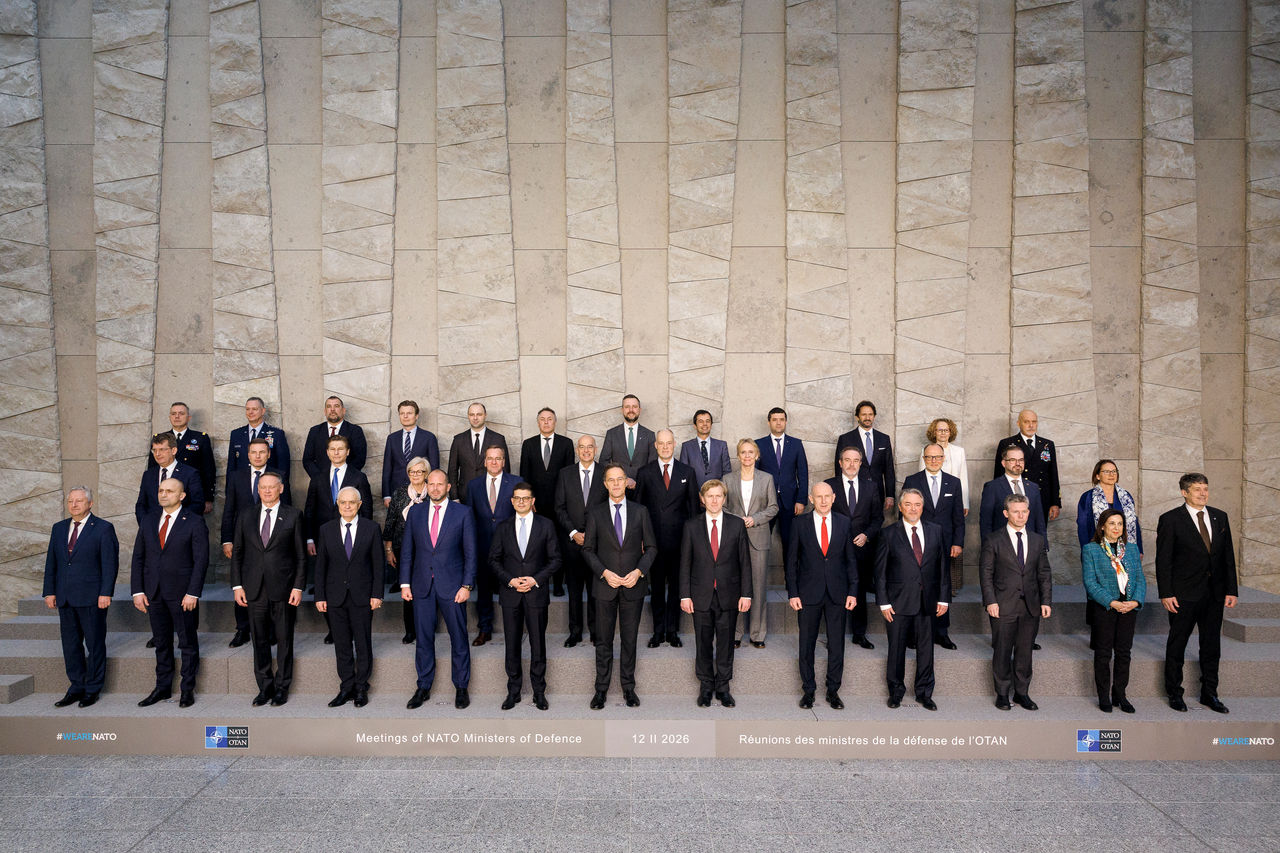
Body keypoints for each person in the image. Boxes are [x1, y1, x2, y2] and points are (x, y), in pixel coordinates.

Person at [1156, 472, 1238, 714]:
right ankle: (1174, 693)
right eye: (1197, 489)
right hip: (1182, 594)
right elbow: (1163, 560)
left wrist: (1231, 589)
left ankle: (1209, 693)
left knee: (1211, 646)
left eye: (1205, 488)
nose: (1203, 493)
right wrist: (1166, 593)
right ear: (1184, 492)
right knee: (1177, 644)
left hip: (1214, 594)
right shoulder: (1170, 519)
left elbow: (1228, 556)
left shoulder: (1220, 516)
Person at [401, 469, 477, 710]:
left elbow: (471, 553)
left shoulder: (462, 513)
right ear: (426, 486)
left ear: (448, 487)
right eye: (431, 484)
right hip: (422, 585)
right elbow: (407, 551)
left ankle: (461, 687)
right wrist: (405, 583)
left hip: (453, 586)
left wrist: (467, 585)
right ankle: (423, 686)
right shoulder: (415, 512)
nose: (434, 488)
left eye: (439, 484)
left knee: (459, 638)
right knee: (423, 639)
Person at [583, 464, 657, 709]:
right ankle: (600, 690)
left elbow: (652, 548)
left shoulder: (640, 511)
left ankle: (628, 688)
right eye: (611, 480)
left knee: (629, 639)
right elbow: (588, 550)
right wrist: (604, 573)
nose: (616, 484)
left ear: (626, 482)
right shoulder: (595, 513)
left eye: (620, 479)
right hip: (605, 586)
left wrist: (638, 572)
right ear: (605, 484)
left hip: (632, 585)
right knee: (603, 641)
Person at [230, 471, 306, 707]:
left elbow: (301, 556)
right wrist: (237, 585)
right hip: (253, 588)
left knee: (284, 639)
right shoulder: (246, 515)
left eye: (271, 487)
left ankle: (282, 687)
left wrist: (298, 587)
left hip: (284, 588)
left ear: (280, 489)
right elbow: (237, 553)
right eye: (263, 487)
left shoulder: (293, 515)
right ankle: (265, 687)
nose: (267, 491)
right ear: (258, 489)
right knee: (259, 640)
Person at [131, 478, 208, 708]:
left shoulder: (194, 521)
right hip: (154, 592)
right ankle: (162, 687)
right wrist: (137, 590)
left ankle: (187, 689)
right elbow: (138, 557)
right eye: (161, 490)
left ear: (182, 496)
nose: (163, 494)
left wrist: (193, 592)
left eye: (170, 491)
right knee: (162, 643)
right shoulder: (149, 519)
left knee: (187, 643)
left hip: (182, 594)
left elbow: (201, 560)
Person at [43, 487, 118, 709]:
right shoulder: (58, 528)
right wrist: (49, 591)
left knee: (94, 644)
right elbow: (52, 562)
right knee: (70, 645)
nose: (74, 505)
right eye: (70, 501)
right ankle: (76, 687)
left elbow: (109, 564)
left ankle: (92, 689)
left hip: (92, 597)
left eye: (79, 501)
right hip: (65, 597)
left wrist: (106, 592)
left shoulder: (103, 528)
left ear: (90, 504)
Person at [679, 479, 752, 707]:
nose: (714, 500)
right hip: (700, 595)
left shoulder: (736, 524)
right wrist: (685, 595)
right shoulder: (691, 526)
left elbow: (745, 562)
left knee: (726, 643)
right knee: (702, 642)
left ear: (724, 498)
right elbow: (685, 563)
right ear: (702, 499)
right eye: (709, 496)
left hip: (729, 594)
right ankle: (706, 687)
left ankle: (723, 687)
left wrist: (746, 594)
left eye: (718, 496)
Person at [489, 482, 561, 711]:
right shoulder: (503, 527)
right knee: (512, 644)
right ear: (512, 501)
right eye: (517, 498)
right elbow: (493, 559)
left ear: (532, 501)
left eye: (525, 498)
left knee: (538, 644)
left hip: (536, 593)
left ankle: (539, 692)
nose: (521, 501)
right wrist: (510, 580)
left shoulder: (546, 525)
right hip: (510, 594)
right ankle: (514, 691)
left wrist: (535, 580)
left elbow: (556, 560)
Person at [786, 481, 858, 710]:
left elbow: (850, 560)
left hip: (838, 592)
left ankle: (833, 691)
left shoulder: (844, 522)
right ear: (811, 499)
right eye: (819, 496)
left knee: (837, 644)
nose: (824, 500)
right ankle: (808, 691)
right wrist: (793, 592)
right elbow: (791, 561)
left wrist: (853, 591)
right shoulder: (799, 524)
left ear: (834, 497)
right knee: (806, 644)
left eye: (827, 496)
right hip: (808, 593)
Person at [875, 488, 949, 710]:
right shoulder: (888, 533)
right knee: (896, 649)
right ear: (900, 507)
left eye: (917, 504)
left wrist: (943, 598)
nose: (913, 508)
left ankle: (924, 693)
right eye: (908, 504)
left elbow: (943, 567)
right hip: (897, 602)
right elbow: (880, 572)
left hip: (928, 601)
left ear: (922, 507)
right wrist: (883, 602)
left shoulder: (936, 530)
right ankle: (896, 691)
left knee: (926, 650)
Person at [980, 493, 1052, 711]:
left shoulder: (1037, 540)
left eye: (1024, 512)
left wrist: (1046, 601)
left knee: (1025, 651)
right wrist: (990, 601)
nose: (1020, 516)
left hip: (1030, 605)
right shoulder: (993, 540)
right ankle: (1002, 694)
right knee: (1002, 650)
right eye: (1015, 512)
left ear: (1028, 513)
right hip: (1002, 604)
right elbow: (986, 573)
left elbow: (1044, 573)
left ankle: (1022, 693)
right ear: (1006, 513)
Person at [314, 486, 383, 708]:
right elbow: (321, 566)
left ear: (359, 505)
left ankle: (361, 687)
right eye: (343, 502)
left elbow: (378, 565)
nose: (347, 506)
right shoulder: (326, 529)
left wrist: (377, 594)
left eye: (352, 502)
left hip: (362, 596)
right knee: (342, 645)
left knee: (363, 643)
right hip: (335, 596)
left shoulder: (371, 529)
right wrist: (320, 595)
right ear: (337, 504)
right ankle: (346, 686)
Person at [220, 436, 291, 648]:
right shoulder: (236, 476)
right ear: (248, 455)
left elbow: (287, 509)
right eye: (253, 452)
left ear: (268, 454)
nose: (258, 456)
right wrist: (227, 539)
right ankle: (243, 629)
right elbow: (229, 509)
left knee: (269, 584)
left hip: (272, 541)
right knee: (243, 584)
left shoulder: (279, 475)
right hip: (244, 541)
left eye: (262, 452)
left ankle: (270, 630)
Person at [634, 429, 700, 648]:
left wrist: (693, 543)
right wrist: (640, 539)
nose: (665, 447)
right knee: (657, 589)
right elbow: (638, 509)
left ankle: (672, 631)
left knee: (676, 588)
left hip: (680, 542)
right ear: (655, 445)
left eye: (668, 443)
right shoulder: (645, 472)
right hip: (653, 543)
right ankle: (657, 631)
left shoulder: (687, 472)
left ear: (674, 444)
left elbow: (693, 510)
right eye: (661, 443)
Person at [1081, 509, 1145, 714]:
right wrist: (1112, 602)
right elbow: (1090, 582)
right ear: (1102, 526)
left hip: (1128, 608)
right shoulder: (1091, 549)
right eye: (1111, 523)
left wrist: (1135, 601)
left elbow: (1140, 579)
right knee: (1103, 653)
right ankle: (1104, 696)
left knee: (1124, 653)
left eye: (1120, 524)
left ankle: (1120, 695)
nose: (1116, 528)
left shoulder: (1132, 549)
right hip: (1105, 607)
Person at [902, 443, 964, 649]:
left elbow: (958, 516)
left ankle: (941, 632)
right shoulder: (912, 481)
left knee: (942, 585)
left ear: (943, 458)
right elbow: (904, 513)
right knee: (916, 586)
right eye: (929, 457)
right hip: (918, 542)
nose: (934, 460)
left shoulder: (953, 482)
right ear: (924, 458)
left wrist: (958, 542)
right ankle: (913, 633)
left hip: (945, 544)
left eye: (937, 457)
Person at [722, 438, 778, 648]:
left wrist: (754, 519)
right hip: (734, 538)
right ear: (738, 455)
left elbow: (773, 507)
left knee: (758, 587)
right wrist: (737, 521)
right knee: (735, 585)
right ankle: (736, 633)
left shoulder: (767, 479)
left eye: (750, 452)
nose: (747, 456)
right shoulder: (728, 479)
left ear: (757, 455)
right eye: (743, 452)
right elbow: (722, 507)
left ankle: (757, 634)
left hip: (759, 538)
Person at [554, 434, 608, 647]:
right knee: (574, 591)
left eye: (590, 447)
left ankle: (595, 631)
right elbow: (559, 507)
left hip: (598, 544)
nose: (586, 450)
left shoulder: (605, 473)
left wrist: (593, 534)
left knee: (596, 590)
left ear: (596, 449)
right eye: (582, 447)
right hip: (572, 543)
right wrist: (573, 532)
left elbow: (609, 507)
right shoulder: (565, 474)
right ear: (577, 450)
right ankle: (575, 632)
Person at [827, 445, 883, 649]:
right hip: (835, 549)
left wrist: (867, 535)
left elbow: (878, 518)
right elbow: (823, 515)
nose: (851, 464)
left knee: (859, 591)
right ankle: (834, 636)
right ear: (840, 463)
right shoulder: (829, 485)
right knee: (834, 592)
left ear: (861, 464)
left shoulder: (871, 487)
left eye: (856, 460)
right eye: (847, 460)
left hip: (861, 549)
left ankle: (859, 634)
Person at [466, 445, 519, 646]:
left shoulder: (516, 482)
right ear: (485, 462)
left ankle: (513, 629)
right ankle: (484, 629)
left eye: (498, 458)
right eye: (490, 458)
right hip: (483, 546)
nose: (494, 462)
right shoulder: (474, 485)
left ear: (504, 461)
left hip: (509, 547)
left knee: (510, 588)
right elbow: (469, 518)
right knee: (484, 591)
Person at [518, 407, 574, 595]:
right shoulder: (529, 444)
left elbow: (569, 476)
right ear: (538, 422)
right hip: (536, 505)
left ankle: (557, 584)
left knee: (557, 545)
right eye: (542, 419)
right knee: (536, 544)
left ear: (555, 422)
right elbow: (524, 475)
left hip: (559, 505)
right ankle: (538, 582)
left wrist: (564, 502)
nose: (546, 422)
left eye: (550, 419)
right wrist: (529, 502)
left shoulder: (566, 444)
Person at [383, 456, 431, 644]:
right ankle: (410, 630)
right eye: (412, 471)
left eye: (420, 471)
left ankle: (426, 627)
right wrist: (389, 550)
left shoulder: (433, 492)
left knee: (427, 588)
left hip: (428, 550)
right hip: (403, 549)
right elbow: (390, 521)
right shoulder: (400, 493)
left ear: (426, 474)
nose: (415, 475)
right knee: (407, 588)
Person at [755, 406, 809, 556]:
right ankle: (760, 572)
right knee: (761, 542)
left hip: (790, 503)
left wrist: (801, 500)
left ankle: (790, 573)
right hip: (765, 502)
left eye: (781, 420)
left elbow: (803, 473)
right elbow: (755, 474)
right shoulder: (759, 444)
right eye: (774, 420)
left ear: (786, 422)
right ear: (769, 422)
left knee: (790, 543)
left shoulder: (796, 444)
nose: (778, 423)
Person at [993, 409, 1060, 525]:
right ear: (1018, 423)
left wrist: (1055, 502)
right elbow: (999, 475)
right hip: (1014, 500)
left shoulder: (1047, 444)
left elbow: (1053, 474)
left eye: (1034, 422)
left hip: (1041, 499)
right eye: (1026, 422)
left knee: (1039, 532)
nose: (1031, 425)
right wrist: (999, 502)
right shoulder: (1007, 443)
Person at [148, 401, 215, 513]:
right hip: (165, 495)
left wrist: (208, 498)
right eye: (173, 414)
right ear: (169, 417)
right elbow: (152, 469)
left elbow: (208, 470)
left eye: (181, 413)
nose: (177, 416)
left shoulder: (200, 438)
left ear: (188, 418)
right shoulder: (159, 439)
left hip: (190, 496)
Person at [835, 400, 895, 513]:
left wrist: (890, 495)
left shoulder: (884, 438)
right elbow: (839, 469)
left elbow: (889, 469)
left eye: (870, 414)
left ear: (874, 416)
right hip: (853, 492)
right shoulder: (845, 439)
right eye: (864, 414)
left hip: (877, 493)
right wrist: (840, 494)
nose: (867, 418)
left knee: (876, 521)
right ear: (857, 417)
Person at [979, 445, 1045, 542]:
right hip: (1002, 544)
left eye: (1021, 460)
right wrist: (988, 547)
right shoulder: (992, 487)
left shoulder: (1033, 487)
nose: (1017, 463)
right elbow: (986, 522)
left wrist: (1044, 546)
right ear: (1003, 463)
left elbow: (1040, 521)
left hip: (1030, 544)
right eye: (1012, 460)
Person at [381, 399, 440, 507]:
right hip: (397, 492)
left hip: (422, 493)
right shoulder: (392, 438)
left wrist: (432, 491)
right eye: (402, 413)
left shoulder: (428, 437)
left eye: (409, 413)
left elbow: (434, 468)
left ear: (416, 416)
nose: (405, 416)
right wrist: (386, 495)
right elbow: (387, 468)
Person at [1076, 459, 1142, 554]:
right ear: (1098, 476)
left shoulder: (1126, 496)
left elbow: (1134, 523)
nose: (1112, 474)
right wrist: (1086, 551)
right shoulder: (1087, 497)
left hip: (1126, 549)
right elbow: (1083, 527)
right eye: (1106, 471)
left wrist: (1139, 549)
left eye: (1114, 471)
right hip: (1098, 550)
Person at [136, 433, 205, 523]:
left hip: (180, 527)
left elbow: (197, 505)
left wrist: (175, 523)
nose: (157, 454)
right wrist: (145, 524)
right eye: (154, 450)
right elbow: (141, 505)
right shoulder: (148, 474)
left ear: (174, 451)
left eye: (162, 449)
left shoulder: (190, 473)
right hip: (152, 527)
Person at [447, 401, 509, 501]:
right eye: (472, 414)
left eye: (479, 414)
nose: (475, 418)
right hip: (464, 496)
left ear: (485, 415)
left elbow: (505, 469)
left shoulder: (498, 439)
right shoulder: (458, 440)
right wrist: (454, 497)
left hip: (491, 495)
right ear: (468, 416)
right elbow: (452, 471)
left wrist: (503, 496)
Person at [226, 396, 291, 487]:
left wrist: (280, 488)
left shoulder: (277, 434)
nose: (250, 412)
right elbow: (231, 466)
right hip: (242, 487)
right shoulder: (236, 434)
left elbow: (283, 466)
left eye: (254, 409)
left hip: (268, 487)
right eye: (248, 409)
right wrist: (229, 490)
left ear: (263, 411)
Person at [599, 393, 656, 489]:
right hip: (617, 488)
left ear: (639, 410)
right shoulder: (611, 434)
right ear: (622, 410)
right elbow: (603, 461)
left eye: (634, 407)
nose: (631, 410)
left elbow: (653, 465)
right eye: (627, 407)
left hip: (642, 488)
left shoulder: (650, 435)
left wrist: (638, 483)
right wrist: (622, 479)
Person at [303, 395, 367, 477]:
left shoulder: (355, 431)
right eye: (329, 406)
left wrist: (343, 477)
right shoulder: (314, 431)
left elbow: (359, 459)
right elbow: (307, 460)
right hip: (320, 481)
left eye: (336, 406)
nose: (332, 409)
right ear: (325, 411)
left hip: (347, 480)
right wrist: (319, 479)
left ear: (343, 411)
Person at [917, 417, 969, 516]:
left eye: (946, 430)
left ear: (950, 432)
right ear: (934, 432)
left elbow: (963, 477)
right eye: (940, 430)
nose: (943, 433)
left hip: (954, 496)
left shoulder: (959, 451)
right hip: (932, 498)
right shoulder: (926, 450)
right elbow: (922, 478)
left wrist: (965, 502)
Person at [678, 409, 733, 486]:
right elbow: (683, 473)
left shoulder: (722, 446)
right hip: (694, 491)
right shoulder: (687, 447)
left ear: (711, 424)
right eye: (701, 421)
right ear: (695, 425)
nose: (705, 424)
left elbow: (727, 473)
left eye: (708, 421)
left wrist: (718, 490)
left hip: (717, 491)